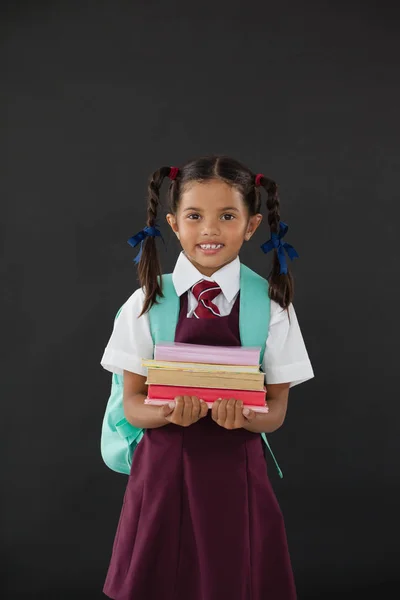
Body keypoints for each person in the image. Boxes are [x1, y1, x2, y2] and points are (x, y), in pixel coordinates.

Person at [100, 154, 314, 600]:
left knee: (230, 575)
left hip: (235, 471)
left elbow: (275, 413)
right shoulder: (146, 302)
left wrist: (245, 418)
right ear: (174, 224)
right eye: (195, 216)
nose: (210, 230)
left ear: (252, 225)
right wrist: (169, 412)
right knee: (159, 577)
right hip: (161, 472)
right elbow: (133, 405)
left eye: (228, 216)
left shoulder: (272, 306)